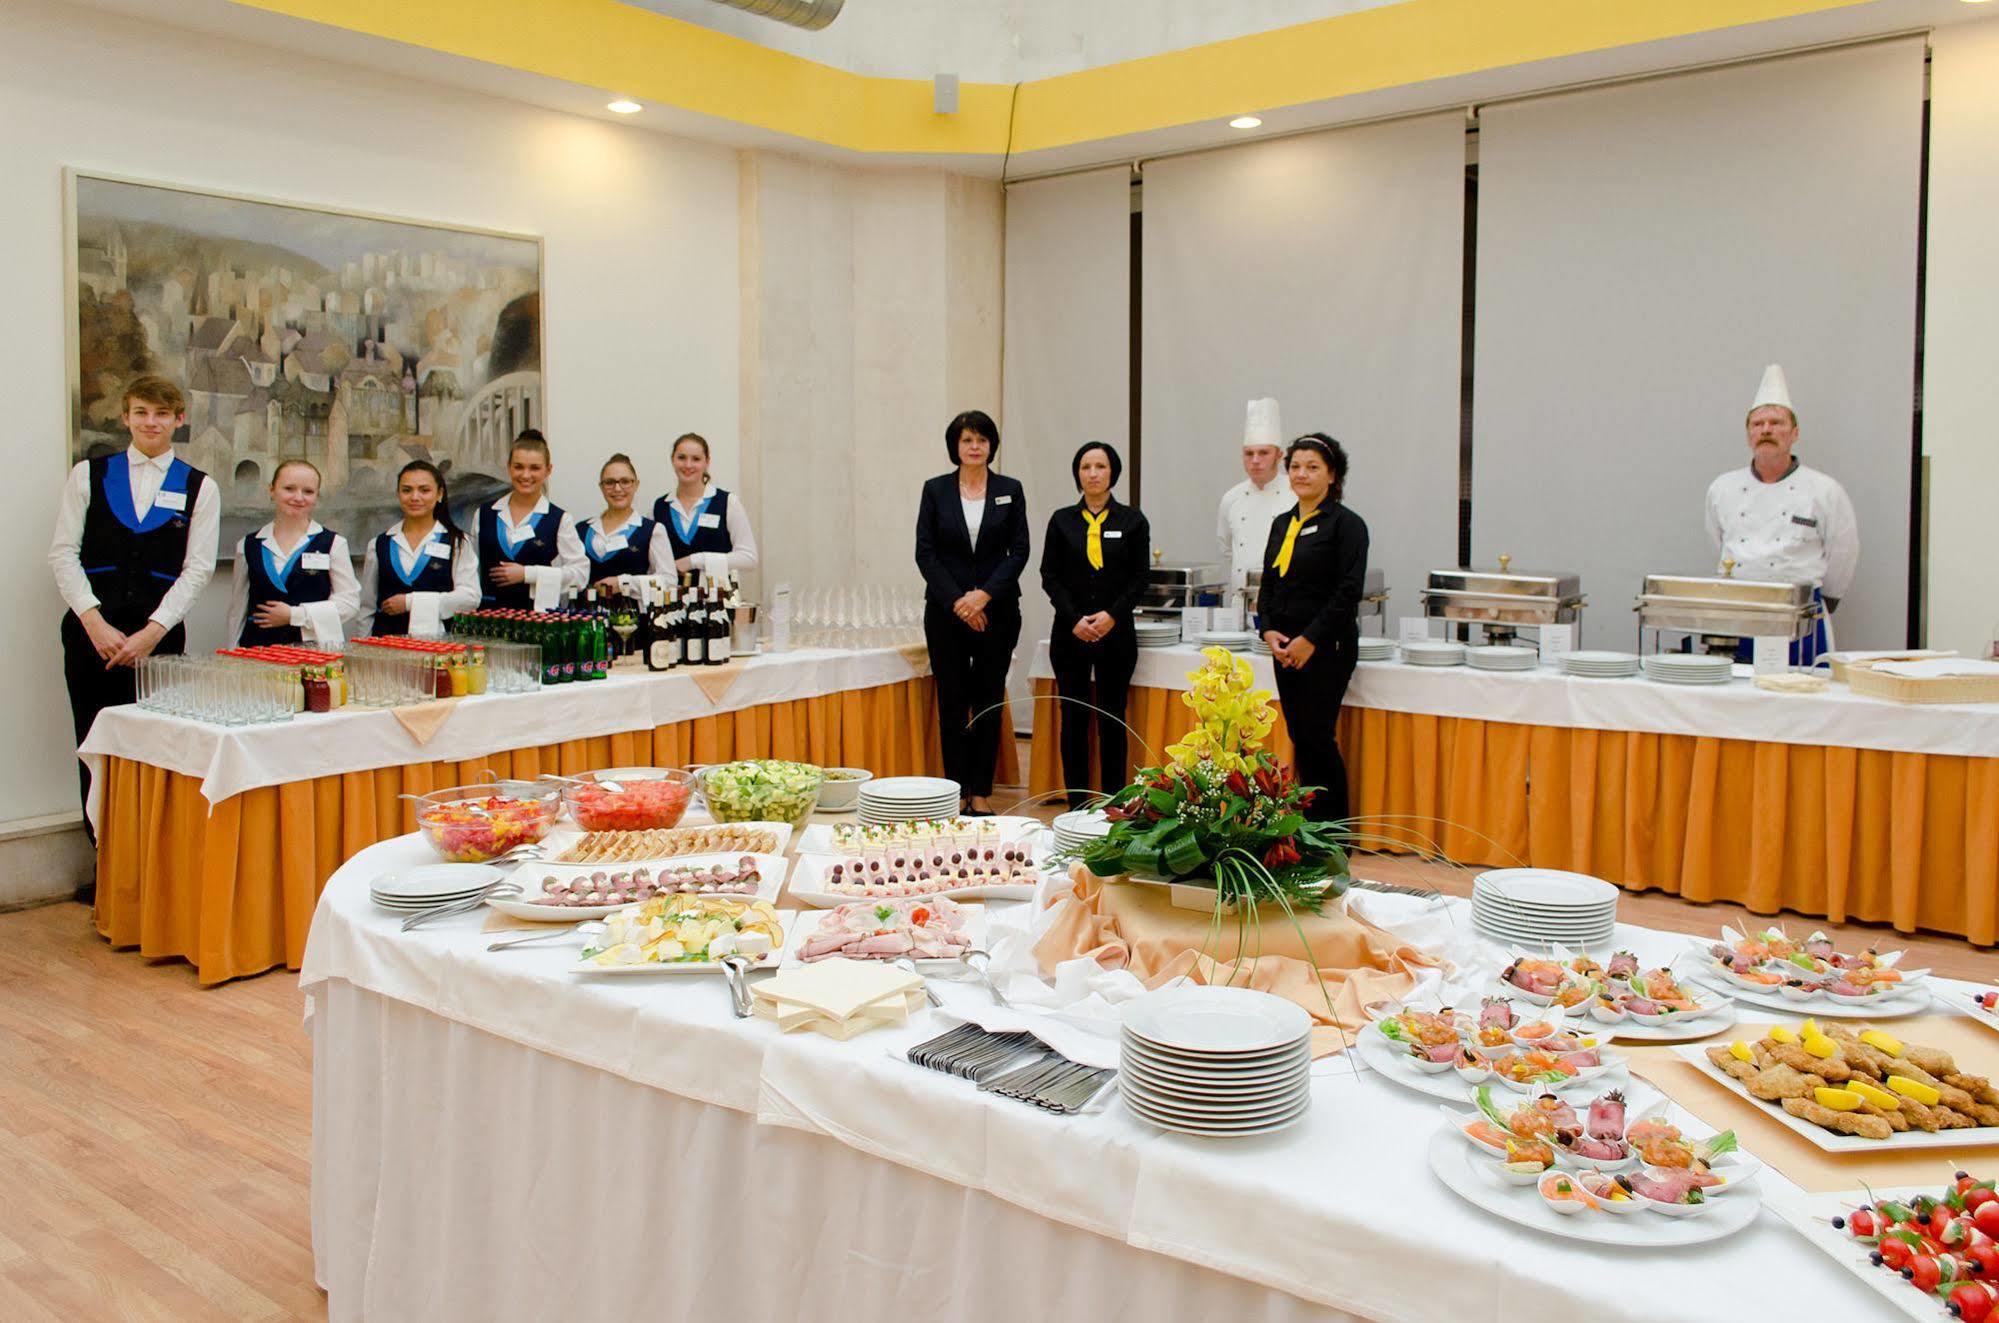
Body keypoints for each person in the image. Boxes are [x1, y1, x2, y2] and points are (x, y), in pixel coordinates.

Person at [49, 374, 220, 838]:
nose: (151, 422)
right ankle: (103, 861)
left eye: (162, 414)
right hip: (92, 635)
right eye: (141, 412)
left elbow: (198, 570)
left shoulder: (201, 487)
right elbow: (63, 553)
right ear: (125, 417)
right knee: (93, 743)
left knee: (158, 749)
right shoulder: (88, 475)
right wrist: (93, 621)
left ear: (177, 420)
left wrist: (153, 631)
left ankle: (149, 859)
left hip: (158, 639)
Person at [1703, 363, 1859, 666]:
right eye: (1758, 424)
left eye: (1776, 423)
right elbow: (1718, 542)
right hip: (1739, 610)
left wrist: (1819, 601)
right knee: (1738, 697)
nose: (1766, 430)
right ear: (1748, 434)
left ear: (1795, 433)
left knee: (1805, 694)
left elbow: (1843, 553)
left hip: (1801, 612)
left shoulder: (1824, 490)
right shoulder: (1723, 488)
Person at [915, 410, 1030, 816]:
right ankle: (955, 791)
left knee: (987, 701)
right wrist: (960, 603)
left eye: (981, 439)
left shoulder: (1010, 490)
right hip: (946, 614)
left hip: (997, 613)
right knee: (951, 701)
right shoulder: (935, 491)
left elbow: (1019, 552)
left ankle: (980, 792)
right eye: (967, 440)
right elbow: (925, 554)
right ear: (956, 447)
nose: (975, 447)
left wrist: (982, 597)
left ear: (991, 445)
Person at [1258, 433, 1368, 826]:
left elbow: (1347, 592)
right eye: (1296, 467)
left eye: (1313, 467)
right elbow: (1268, 584)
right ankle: (1308, 826)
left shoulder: (1347, 525)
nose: (1302, 474)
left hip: (1327, 646)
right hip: (1284, 647)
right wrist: (1267, 630)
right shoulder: (1282, 523)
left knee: (1318, 737)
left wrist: (1309, 640)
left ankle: (1334, 832)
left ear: (1333, 475)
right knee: (1300, 737)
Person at [1040, 441, 1150, 808]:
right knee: (1072, 716)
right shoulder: (1061, 520)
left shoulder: (1132, 521)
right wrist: (1074, 619)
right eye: (1085, 467)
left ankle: (1114, 802)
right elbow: (1049, 575)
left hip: (1115, 633)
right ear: (1077, 474)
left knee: (1111, 716)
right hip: (1069, 633)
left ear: (1112, 472)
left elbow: (1139, 578)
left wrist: (1111, 615)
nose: (1092, 473)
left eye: (1100, 466)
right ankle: (1076, 803)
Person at [225, 459, 360, 647]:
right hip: (257, 651)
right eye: (289, 488)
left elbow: (349, 602)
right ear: (271, 490)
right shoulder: (247, 545)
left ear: (317, 496)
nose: (299, 497)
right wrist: (233, 654)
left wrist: (295, 615)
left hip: (314, 651)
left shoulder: (333, 544)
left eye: (308, 491)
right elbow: (237, 610)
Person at [358, 460, 480, 636]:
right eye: (407, 490)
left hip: (440, 648)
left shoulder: (458, 542)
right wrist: (363, 649)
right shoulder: (378, 544)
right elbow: (367, 609)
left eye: (424, 490)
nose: (415, 497)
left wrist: (410, 602)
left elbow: (470, 598)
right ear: (398, 494)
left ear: (439, 494)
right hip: (387, 648)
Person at [479, 429, 587, 611]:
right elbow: (472, 571)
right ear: (508, 467)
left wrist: (528, 574)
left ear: (548, 470)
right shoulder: (484, 513)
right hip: (489, 620)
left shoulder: (559, 519)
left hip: (538, 622)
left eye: (535, 468)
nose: (525, 475)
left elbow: (580, 575)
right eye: (518, 467)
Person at [651, 432, 758, 583]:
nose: (688, 465)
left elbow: (749, 559)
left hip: (718, 602)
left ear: (707, 462)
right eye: (681, 458)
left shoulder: (727, 502)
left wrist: (694, 560)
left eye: (696, 459)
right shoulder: (659, 507)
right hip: (672, 603)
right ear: (672, 460)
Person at [1215, 397, 1294, 590]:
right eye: (1249, 454)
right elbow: (1226, 548)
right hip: (1240, 599)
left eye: (1263, 453)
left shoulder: (1296, 495)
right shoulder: (1231, 498)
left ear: (1279, 455)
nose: (1255, 460)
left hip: (1283, 598)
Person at [580, 453, 672, 593]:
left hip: (633, 613)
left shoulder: (652, 530)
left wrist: (624, 583)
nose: (617, 489)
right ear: (601, 487)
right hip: (586, 614)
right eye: (610, 482)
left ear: (636, 485)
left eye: (625, 481)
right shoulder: (581, 529)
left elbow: (669, 581)